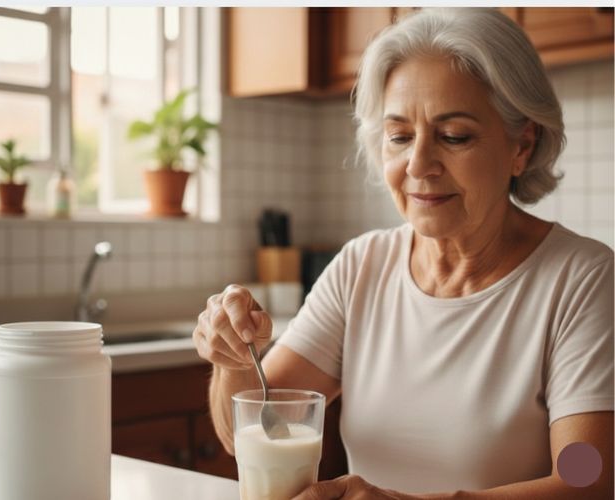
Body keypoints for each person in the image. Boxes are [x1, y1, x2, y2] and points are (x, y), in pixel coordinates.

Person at [194, 8, 613, 500]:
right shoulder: (361, 267)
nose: (418, 165)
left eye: (454, 136)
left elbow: (589, 478)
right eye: (399, 137)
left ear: (522, 145)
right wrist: (233, 359)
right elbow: (244, 434)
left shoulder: (581, 279)